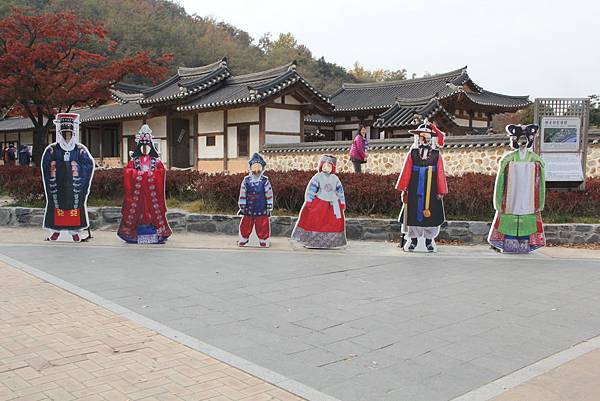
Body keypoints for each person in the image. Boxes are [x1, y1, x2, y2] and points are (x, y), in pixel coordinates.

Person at [488, 124, 546, 253]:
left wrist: (540, 201)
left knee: (527, 221)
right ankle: (509, 244)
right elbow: (500, 181)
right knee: (509, 220)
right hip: (510, 199)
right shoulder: (508, 159)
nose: (523, 142)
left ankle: (524, 244)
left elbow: (541, 183)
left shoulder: (537, 160)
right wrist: (498, 201)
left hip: (529, 199)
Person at [395, 119, 447, 252]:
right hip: (414, 186)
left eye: (427, 136)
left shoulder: (436, 154)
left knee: (432, 215)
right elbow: (406, 171)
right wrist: (403, 189)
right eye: (422, 136)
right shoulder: (412, 153)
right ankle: (413, 240)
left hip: (432, 188)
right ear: (418, 137)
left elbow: (440, 173)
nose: (424, 139)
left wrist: (441, 190)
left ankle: (429, 240)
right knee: (413, 213)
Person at [41, 113, 95, 242]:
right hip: (58, 184)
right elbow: (46, 164)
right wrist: (56, 165)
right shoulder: (52, 149)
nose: (67, 136)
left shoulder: (79, 149)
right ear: (59, 132)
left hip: (73, 186)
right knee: (56, 206)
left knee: (75, 207)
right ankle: (55, 232)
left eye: (69, 133)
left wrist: (76, 167)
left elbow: (88, 164)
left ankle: (75, 232)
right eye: (64, 132)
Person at [118, 124, 172, 244]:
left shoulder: (155, 161)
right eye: (142, 145)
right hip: (138, 194)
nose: (145, 148)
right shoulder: (134, 160)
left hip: (151, 194)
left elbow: (161, 172)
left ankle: (157, 232)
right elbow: (127, 172)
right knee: (137, 211)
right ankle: (133, 232)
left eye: (147, 145)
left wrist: (149, 176)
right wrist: (140, 175)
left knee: (153, 212)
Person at [292, 154, 347, 248]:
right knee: (315, 219)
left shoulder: (335, 179)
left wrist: (342, 202)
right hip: (319, 201)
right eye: (324, 165)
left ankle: (334, 242)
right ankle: (312, 241)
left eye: (329, 166)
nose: (326, 168)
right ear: (321, 166)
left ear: (333, 168)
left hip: (334, 203)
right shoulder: (318, 177)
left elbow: (340, 192)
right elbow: (311, 189)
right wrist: (309, 200)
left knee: (336, 221)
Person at [238, 152, 273, 247]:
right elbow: (242, 193)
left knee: (262, 224)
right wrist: (242, 204)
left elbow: (269, 193)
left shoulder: (265, 181)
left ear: (262, 169)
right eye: (254, 168)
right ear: (250, 168)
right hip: (248, 207)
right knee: (246, 223)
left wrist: (269, 205)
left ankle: (263, 240)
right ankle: (244, 238)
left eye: (258, 168)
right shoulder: (246, 180)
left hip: (261, 206)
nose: (256, 171)